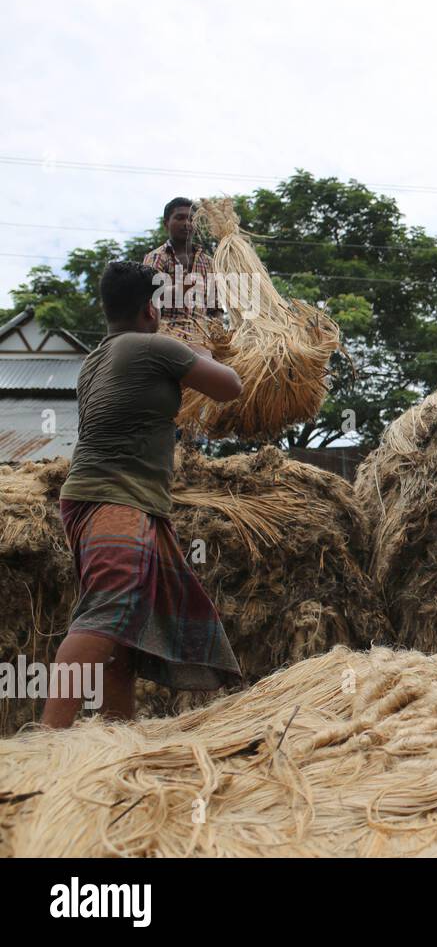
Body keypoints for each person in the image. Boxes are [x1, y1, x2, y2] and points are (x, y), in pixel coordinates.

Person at [41, 261, 245, 728]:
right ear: (150, 310)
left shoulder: (95, 359)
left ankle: (117, 737)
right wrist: (197, 348)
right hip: (117, 498)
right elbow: (230, 387)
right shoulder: (153, 347)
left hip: (96, 497)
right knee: (106, 613)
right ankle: (47, 740)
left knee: (125, 631)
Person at [141, 196, 222, 342]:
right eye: (180, 218)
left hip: (201, 344)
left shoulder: (208, 263)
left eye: (191, 219)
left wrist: (218, 336)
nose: (186, 223)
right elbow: (149, 298)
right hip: (164, 342)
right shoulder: (156, 258)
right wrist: (180, 289)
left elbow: (215, 307)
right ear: (166, 224)